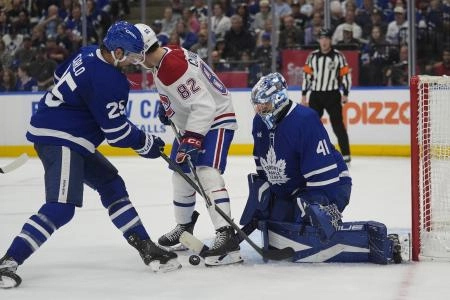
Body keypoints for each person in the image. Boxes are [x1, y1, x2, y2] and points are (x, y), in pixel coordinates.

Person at [0, 21, 181, 289]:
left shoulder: (87, 52)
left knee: (112, 184)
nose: (136, 60)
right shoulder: (109, 80)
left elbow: (60, 74)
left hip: (69, 135)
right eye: (132, 54)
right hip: (61, 138)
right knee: (61, 207)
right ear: (117, 52)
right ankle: (8, 261)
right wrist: (146, 143)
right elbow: (117, 134)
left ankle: (145, 246)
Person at [241, 72, 402, 264]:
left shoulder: (304, 120)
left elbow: (324, 177)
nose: (259, 109)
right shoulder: (259, 122)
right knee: (276, 224)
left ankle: (375, 242)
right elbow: (262, 166)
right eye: (257, 104)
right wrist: (263, 203)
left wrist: (314, 205)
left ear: (278, 99)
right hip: (293, 189)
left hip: (330, 185)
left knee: (312, 220)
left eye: (264, 104)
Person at [135, 23, 242, 266]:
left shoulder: (171, 68)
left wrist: (192, 139)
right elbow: (188, 94)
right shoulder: (165, 55)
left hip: (215, 119)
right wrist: (170, 108)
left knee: (207, 174)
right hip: (194, 122)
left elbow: (204, 106)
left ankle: (226, 236)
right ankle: (184, 227)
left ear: (140, 52)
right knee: (180, 174)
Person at [301, 28, 352, 164]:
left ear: (330, 40)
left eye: (326, 38)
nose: (324, 41)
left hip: (332, 95)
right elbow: (307, 76)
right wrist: (304, 94)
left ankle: (346, 154)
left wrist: (345, 93)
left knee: (337, 125)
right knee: (311, 125)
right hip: (316, 95)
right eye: (321, 38)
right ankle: (309, 153)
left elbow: (345, 75)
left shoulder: (338, 56)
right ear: (319, 40)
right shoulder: (312, 56)